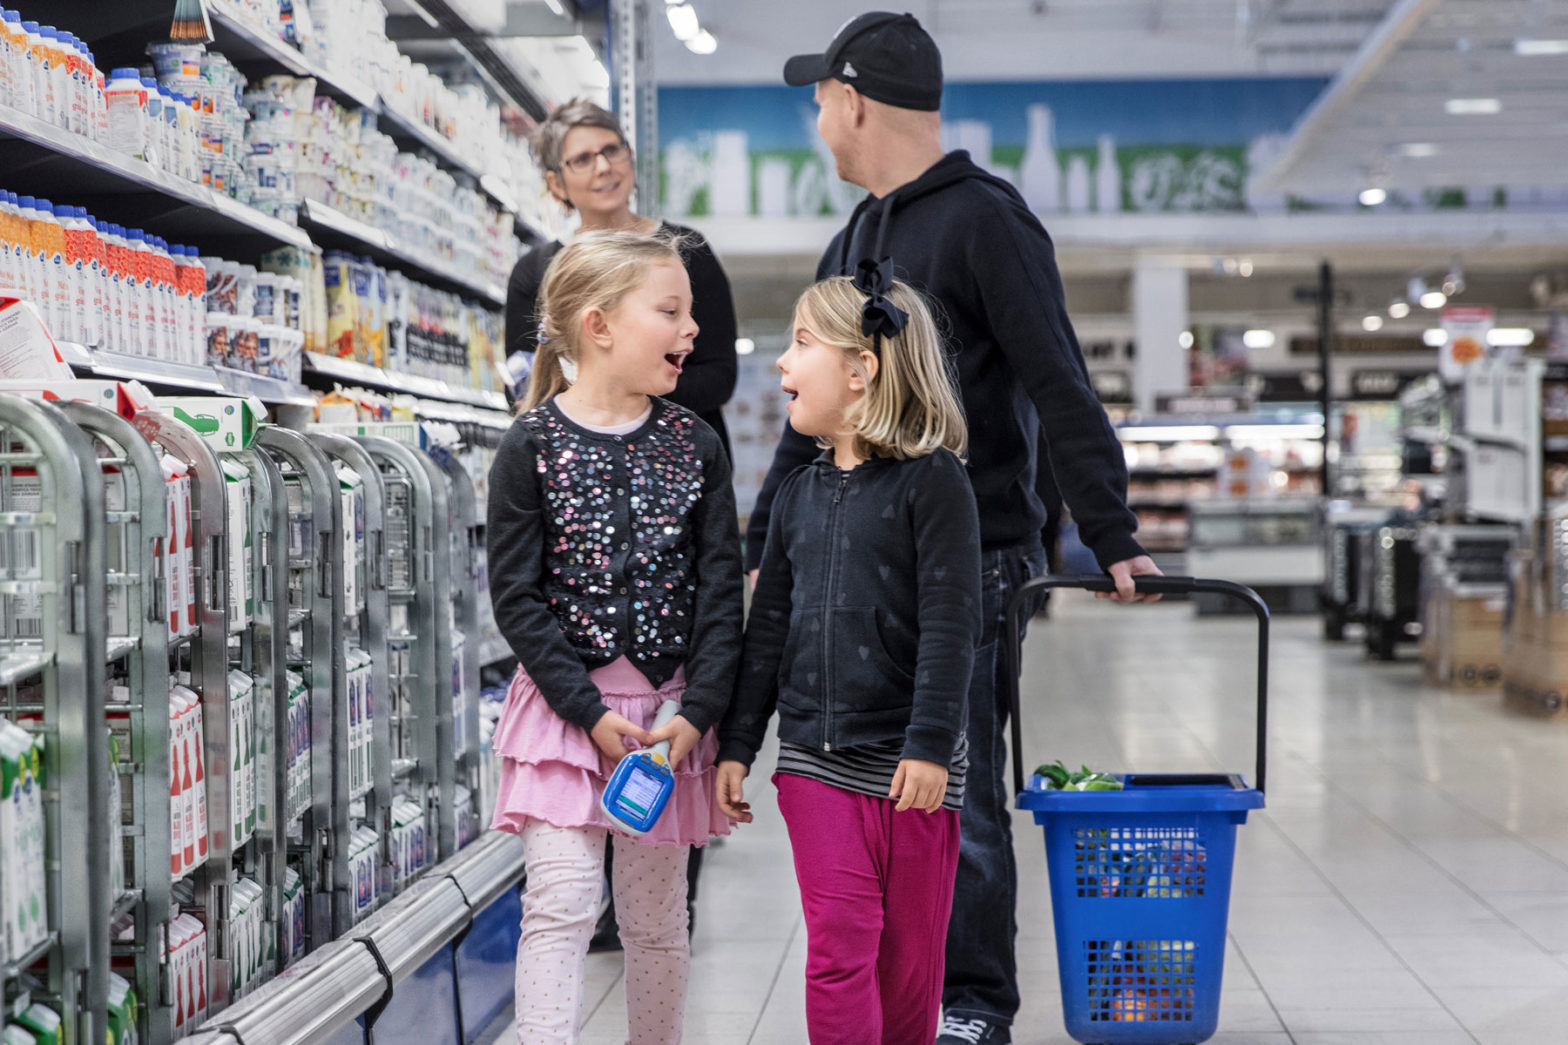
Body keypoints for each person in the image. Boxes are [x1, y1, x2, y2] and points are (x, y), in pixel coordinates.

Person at [750, 14, 1164, 1044]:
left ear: (851, 100)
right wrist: (765, 547)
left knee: (954, 791)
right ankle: (904, 999)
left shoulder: (986, 220)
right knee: (870, 794)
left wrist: (1108, 531)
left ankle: (971, 1004)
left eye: (819, 101)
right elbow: (815, 417)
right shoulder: (853, 240)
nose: (816, 121)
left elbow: (1054, 379)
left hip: (968, 557)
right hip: (856, 561)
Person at [486, 230, 743, 1044]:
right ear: (598, 325)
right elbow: (517, 595)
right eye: (670, 310)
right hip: (566, 717)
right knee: (559, 902)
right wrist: (584, 705)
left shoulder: (694, 444)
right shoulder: (530, 446)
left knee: (658, 919)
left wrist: (698, 711)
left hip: (666, 725)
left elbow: (719, 593)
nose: (692, 329)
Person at [717, 272, 981, 1045]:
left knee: (909, 964)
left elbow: (950, 623)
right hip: (815, 765)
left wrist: (932, 746)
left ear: (861, 369)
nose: (781, 365)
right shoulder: (795, 494)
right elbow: (765, 632)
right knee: (838, 951)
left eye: (801, 344)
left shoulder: (935, 483)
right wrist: (739, 743)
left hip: (913, 771)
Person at [504, 98, 739, 455]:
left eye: (612, 150)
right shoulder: (536, 271)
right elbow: (523, 381)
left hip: (680, 460)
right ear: (556, 183)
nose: (603, 166)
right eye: (582, 159)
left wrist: (621, 395)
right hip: (570, 466)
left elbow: (719, 376)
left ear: (630, 156)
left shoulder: (687, 252)